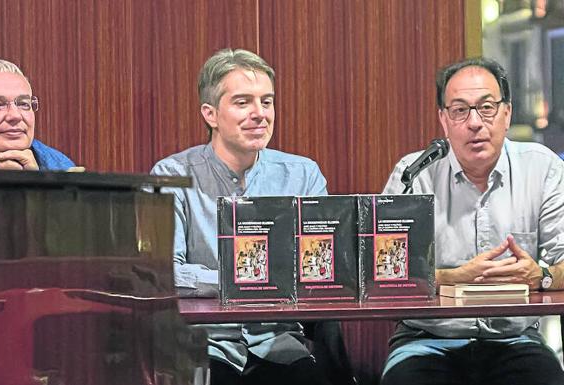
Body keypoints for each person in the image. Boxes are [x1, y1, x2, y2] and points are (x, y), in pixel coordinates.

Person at [151, 48, 354, 385]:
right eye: (243, 102)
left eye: (267, 101)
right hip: (204, 344)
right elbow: (160, 272)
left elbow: (323, 267)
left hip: (280, 341)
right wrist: (239, 283)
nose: (260, 114)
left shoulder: (302, 175)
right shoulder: (172, 176)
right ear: (210, 114)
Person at [380, 57, 564, 385]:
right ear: (443, 119)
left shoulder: (544, 169)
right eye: (460, 110)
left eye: (487, 107)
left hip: (515, 340)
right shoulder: (414, 173)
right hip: (426, 341)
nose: (475, 122)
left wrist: (541, 276)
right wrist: (452, 278)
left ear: (507, 114)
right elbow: (382, 275)